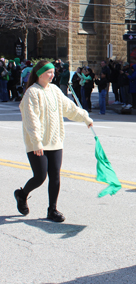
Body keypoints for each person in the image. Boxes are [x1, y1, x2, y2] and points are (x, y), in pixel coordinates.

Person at [14, 60, 93, 222]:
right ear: (40, 74)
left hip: (55, 140)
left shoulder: (55, 90)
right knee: (40, 177)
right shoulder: (32, 93)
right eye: (49, 72)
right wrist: (36, 142)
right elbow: (31, 120)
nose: (52, 75)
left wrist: (85, 117)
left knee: (55, 176)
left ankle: (52, 210)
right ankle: (22, 194)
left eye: (53, 72)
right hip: (38, 142)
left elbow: (69, 108)